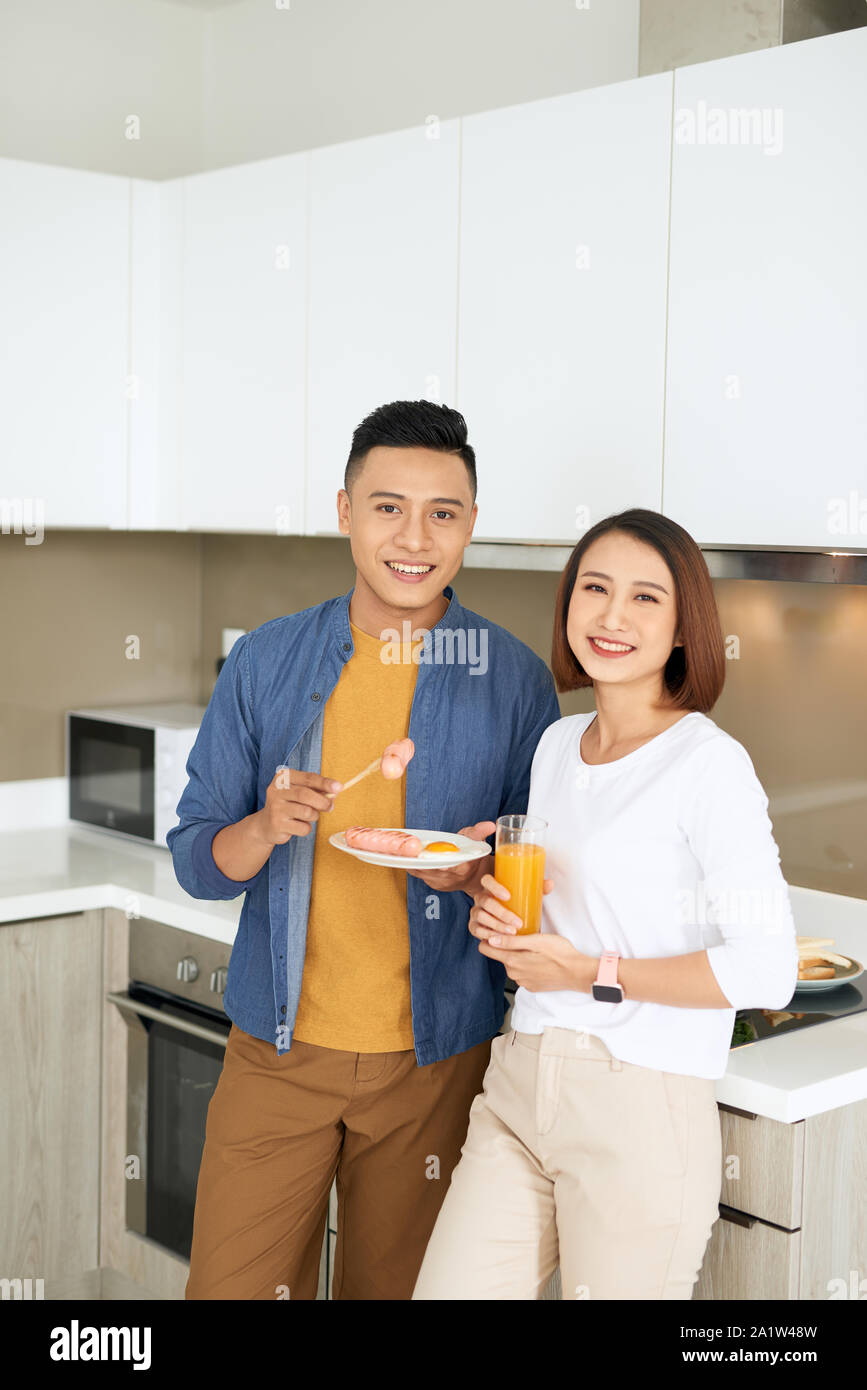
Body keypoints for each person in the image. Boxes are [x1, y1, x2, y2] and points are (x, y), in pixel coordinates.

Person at [166, 399, 561, 1300]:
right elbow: (196, 859)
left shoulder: (513, 681)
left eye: (442, 513)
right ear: (344, 511)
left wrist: (478, 874)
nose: (413, 537)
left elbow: (533, 882)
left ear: (469, 524)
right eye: (387, 507)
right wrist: (262, 828)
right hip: (276, 1054)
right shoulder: (266, 663)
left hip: (435, 1067)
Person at [412, 508, 799, 1300]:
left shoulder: (708, 766)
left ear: (685, 626)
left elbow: (766, 972)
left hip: (640, 1104)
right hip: (519, 1086)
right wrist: (492, 901)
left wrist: (589, 970)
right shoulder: (558, 742)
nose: (611, 616)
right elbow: (567, 910)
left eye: (645, 598)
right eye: (594, 587)